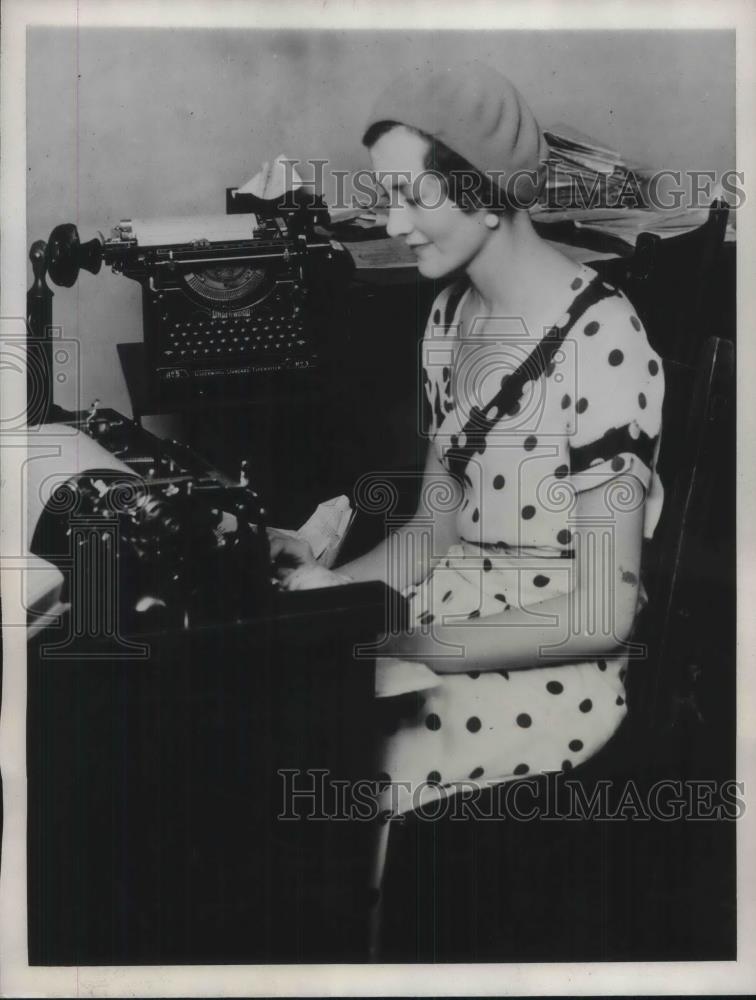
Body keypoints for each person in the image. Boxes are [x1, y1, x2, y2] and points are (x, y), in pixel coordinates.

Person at [270, 63, 665, 819]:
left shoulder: (605, 339)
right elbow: (429, 532)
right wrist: (329, 604)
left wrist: (398, 646)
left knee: (336, 756)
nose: (391, 225)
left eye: (412, 198)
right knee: (279, 713)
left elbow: (601, 616)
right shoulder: (450, 317)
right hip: (442, 613)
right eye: (386, 199)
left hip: (548, 664)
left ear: (485, 196)